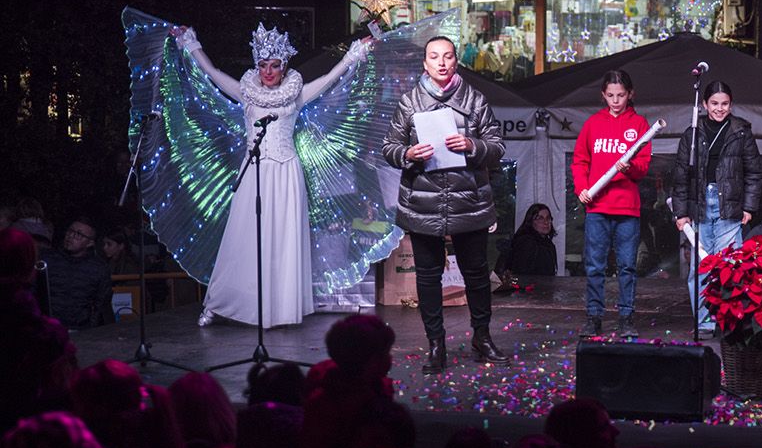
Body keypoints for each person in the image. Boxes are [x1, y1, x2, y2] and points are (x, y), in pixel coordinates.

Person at [175, 22, 372, 328]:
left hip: (286, 173)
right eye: (263, 65)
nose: (268, 72)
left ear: (284, 66)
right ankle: (220, 303)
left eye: (275, 65)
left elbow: (330, 79)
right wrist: (191, 43)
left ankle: (278, 308)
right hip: (255, 171)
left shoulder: (297, 94)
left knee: (281, 239)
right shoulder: (247, 93)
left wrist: (354, 53)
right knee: (243, 237)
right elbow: (212, 74)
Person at [382, 35, 507, 373]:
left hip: (469, 199)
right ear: (425, 64)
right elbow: (389, 147)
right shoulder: (410, 102)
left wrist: (472, 144)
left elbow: (496, 145)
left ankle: (482, 337)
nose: (441, 62)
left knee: (477, 275)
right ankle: (435, 344)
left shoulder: (475, 99)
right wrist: (407, 153)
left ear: (456, 61)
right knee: (428, 276)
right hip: (424, 202)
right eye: (434, 57)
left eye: (448, 56)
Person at [672, 80, 762, 334]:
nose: (719, 109)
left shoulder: (741, 131)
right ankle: (704, 322)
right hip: (699, 204)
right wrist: (681, 212)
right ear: (704, 104)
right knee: (700, 268)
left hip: (729, 205)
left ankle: (728, 320)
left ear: (731, 105)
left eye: (724, 104)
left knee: (730, 266)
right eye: (714, 103)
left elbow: (754, 172)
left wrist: (749, 207)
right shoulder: (692, 132)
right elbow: (680, 176)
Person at [572, 70, 653, 339]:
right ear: (603, 95)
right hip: (597, 207)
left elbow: (643, 168)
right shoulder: (593, 124)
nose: (615, 100)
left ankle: (626, 317)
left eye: (620, 95)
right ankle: (594, 316)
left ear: (630, 94)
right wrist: (581, 188)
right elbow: (580, 160)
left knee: (627, 266)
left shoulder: (640, 125)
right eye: (610, 95)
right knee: (595, 266)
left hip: (627, 208)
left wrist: (629, 167)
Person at [40, 217, 113, 330]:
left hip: (80, 330)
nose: (71, 236)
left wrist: (91, 330)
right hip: (46, 328)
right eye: (70, 231)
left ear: (90, 243)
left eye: (79, 234)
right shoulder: (47, 259)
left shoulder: (98, 268)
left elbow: (102, 304)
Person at [494, 203, 558, 288]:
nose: (546, 222)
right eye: (540, 218)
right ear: (531, 222)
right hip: (523, 295)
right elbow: (521, 275)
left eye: (548, 218)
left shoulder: (547, 244)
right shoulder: (526, 243)